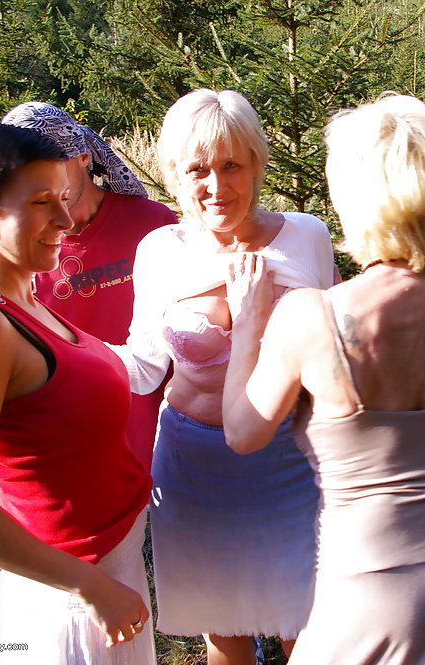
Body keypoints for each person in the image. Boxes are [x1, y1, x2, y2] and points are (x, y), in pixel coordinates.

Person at [222, 94, 425, 664]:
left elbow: (243, 432)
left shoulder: (313, 316)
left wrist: (247, 325)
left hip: (370, 592)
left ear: (352, 195)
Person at [111, 88, 337, 665]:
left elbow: (335, 350)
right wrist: (61, 357)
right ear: (173, 175)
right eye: (198, 169)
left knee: (310, 628)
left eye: (232, 165)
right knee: (223, 630)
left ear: (257, 164)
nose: (217, 186)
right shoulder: (159, 250)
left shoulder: (306, 235)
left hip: (292, 460)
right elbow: (143, 365)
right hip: (195, 466)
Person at [0, 123, 154, 664]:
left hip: (109, 575)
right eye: (42, 203)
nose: (67, 221)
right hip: (72, 603)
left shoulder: (24, 295)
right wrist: (88, 588)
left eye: (65, 199)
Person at [1, 102, 177, 472]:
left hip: (167, 442)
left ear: (83, 156)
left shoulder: (155, 223)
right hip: (80, 450)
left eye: (52, 164)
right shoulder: (24, 248)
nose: (45, 182)